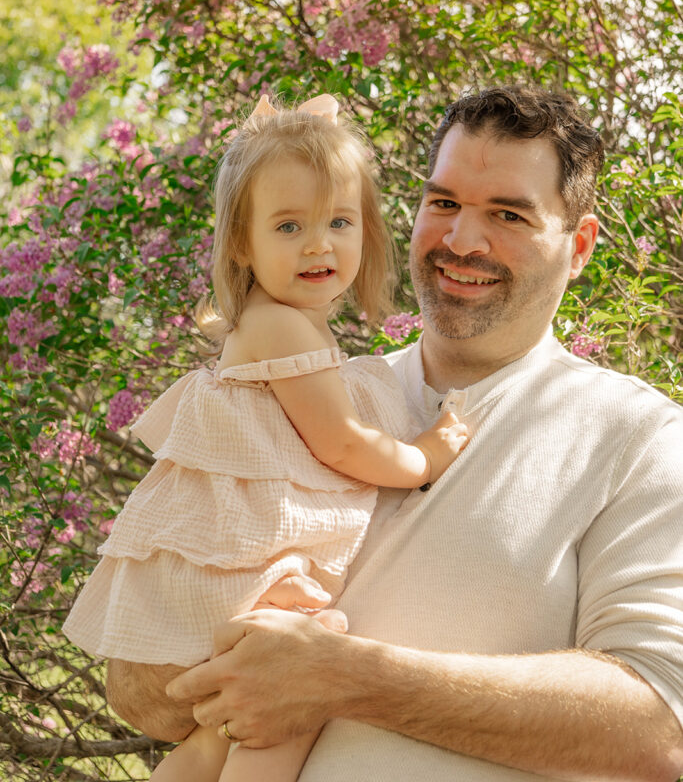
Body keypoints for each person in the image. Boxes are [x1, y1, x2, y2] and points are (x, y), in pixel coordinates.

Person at [106, 84, 683, 781]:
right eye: (443, 204)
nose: (461, 241)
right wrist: (196, 649)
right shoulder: (293, 400)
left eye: (506, 214)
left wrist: (346, 678)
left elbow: (658, 731)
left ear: (579, 245)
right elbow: (139, 694)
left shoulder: (639, 439)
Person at [63, 93, 469, 782]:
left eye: (338, 221)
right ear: (242, 245)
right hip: (241, 580)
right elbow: (340, 445)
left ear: (365, 231)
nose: (319, 243)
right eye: (288, 226)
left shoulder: (283, 322)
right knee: (281, 719)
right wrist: (430, 451)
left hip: (239, 574)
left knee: (217, 741)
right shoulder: (279, 325)